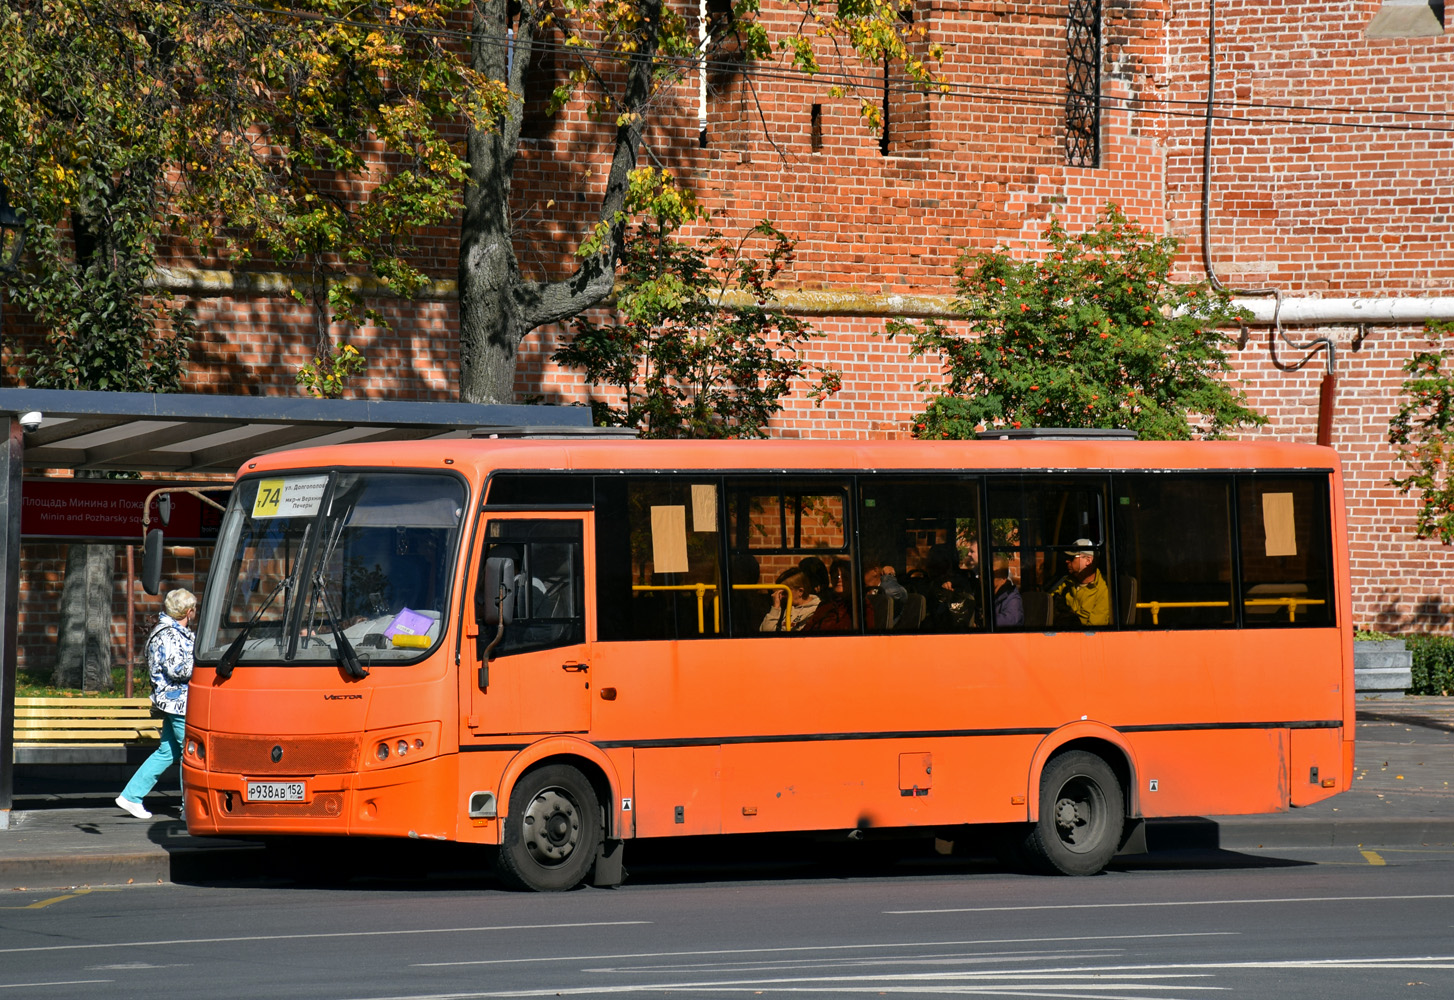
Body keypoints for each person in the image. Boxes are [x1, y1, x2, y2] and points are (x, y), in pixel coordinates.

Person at [116, 588, 196, 821]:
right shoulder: (169, 634)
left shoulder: (169, 631)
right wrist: (203, 663)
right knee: (190, 755)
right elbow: (177, 669)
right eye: (193, 609)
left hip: (172, 701)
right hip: (177, 702)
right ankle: (189, 808)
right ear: (188, 611)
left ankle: (131, 796)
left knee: (167, 751)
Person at [1051, 538, 1111, 627]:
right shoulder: (1066, 582)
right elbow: (1048, 602)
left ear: (1088, 561)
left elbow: (1094, 633)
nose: (1067, 561)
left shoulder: (1103, 592)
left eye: (1072, 558)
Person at [992, 556, 1023, 626]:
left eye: (992, 574)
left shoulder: (1013, 598)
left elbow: (1010, 620)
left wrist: (983, 622)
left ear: (1003, 577)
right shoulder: (987, 594)